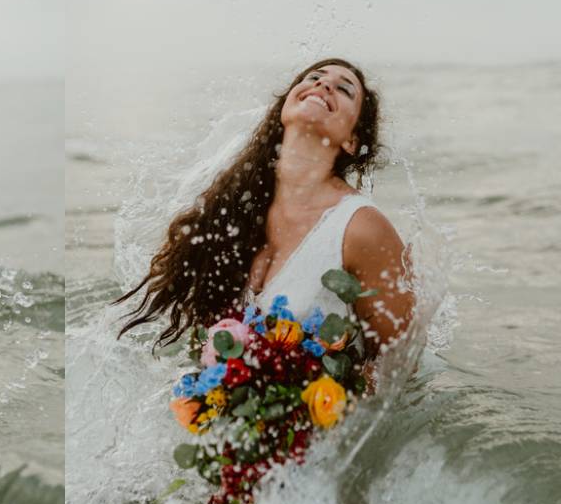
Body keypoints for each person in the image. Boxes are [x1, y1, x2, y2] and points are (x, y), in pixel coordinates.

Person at [116, 58, 414, 371]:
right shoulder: (233, 206)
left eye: (344, 89)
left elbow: (398, 366)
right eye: (314, 76)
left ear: (353, 140)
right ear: (284, 107)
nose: (323, 84)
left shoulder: (362, 228)